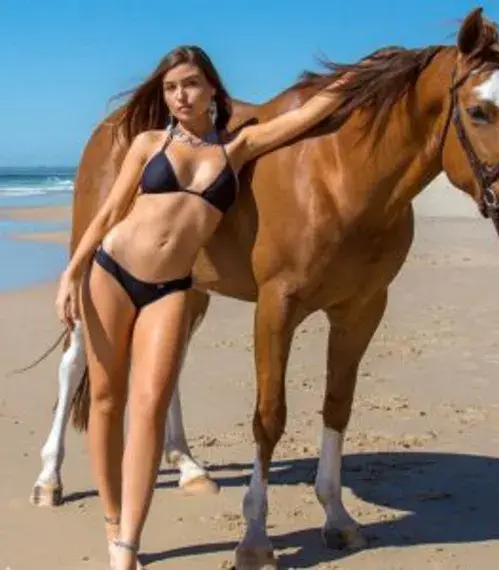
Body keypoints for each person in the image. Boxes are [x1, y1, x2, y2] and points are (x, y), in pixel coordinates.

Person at [55, 45, 350, 570]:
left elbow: (305, 115)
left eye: (189, 84)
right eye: (170, 88)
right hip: (112, 273)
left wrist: (364, 79)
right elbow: (105, 218)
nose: (179, 96)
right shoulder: (149, 143)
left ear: (214, 89)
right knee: (105, 400)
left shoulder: (235, 150)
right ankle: (110, 519)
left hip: (170, 289)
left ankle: (127, 544)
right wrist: (71, 273)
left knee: (148, 407)